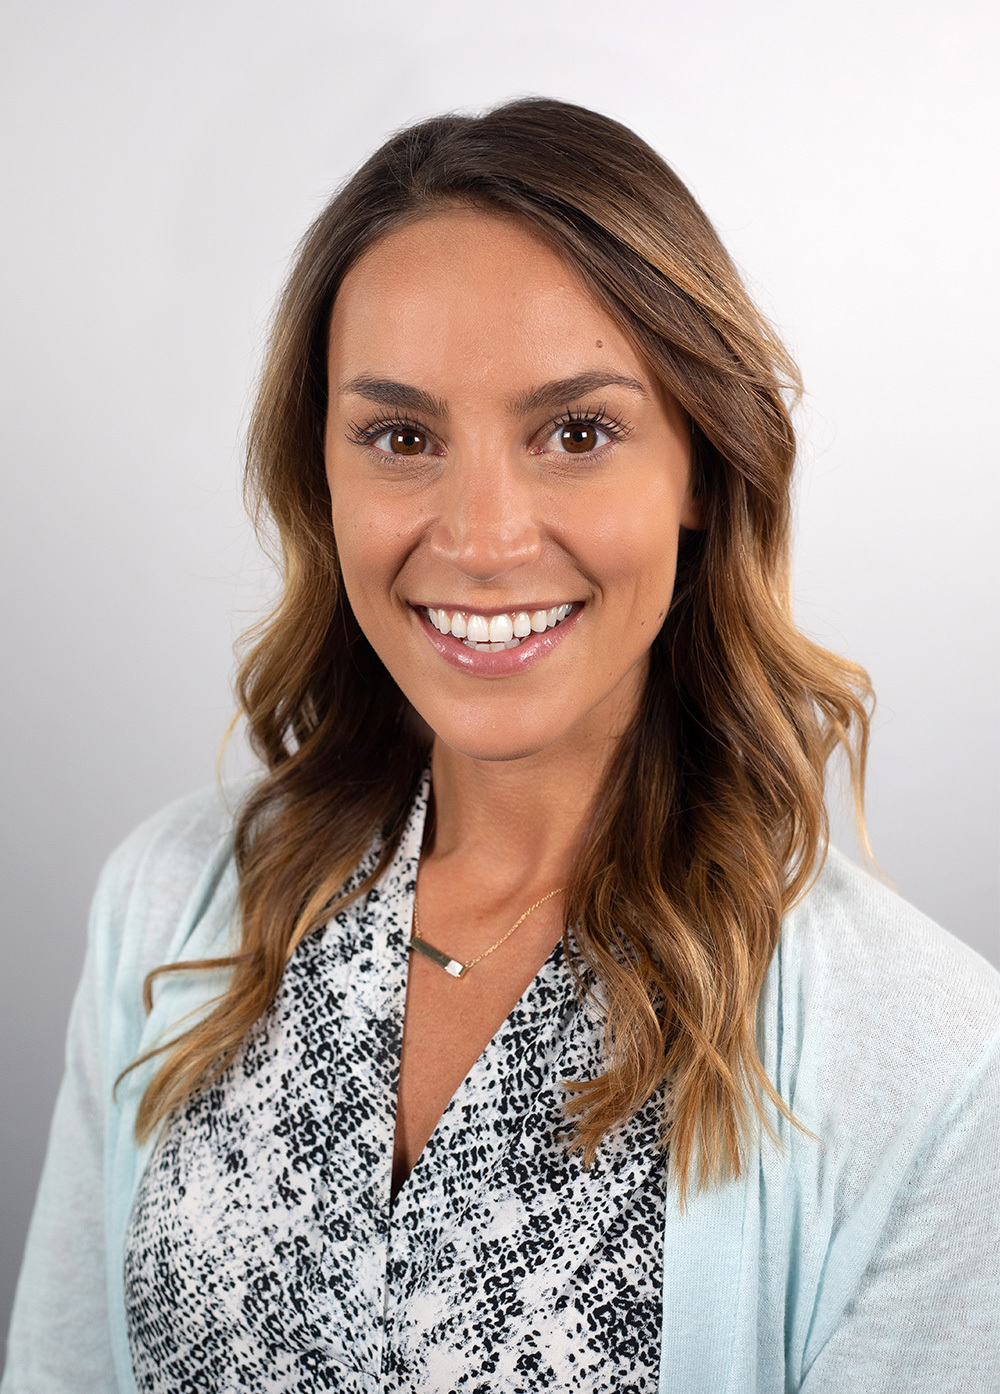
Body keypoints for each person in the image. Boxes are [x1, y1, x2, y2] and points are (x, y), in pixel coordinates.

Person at [3, 97, 998, 1394]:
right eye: (400, 437)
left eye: (576, 432)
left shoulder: (927, 1064)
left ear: (702, 463)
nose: (480, 536)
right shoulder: (168, 907)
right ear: (325, 475)